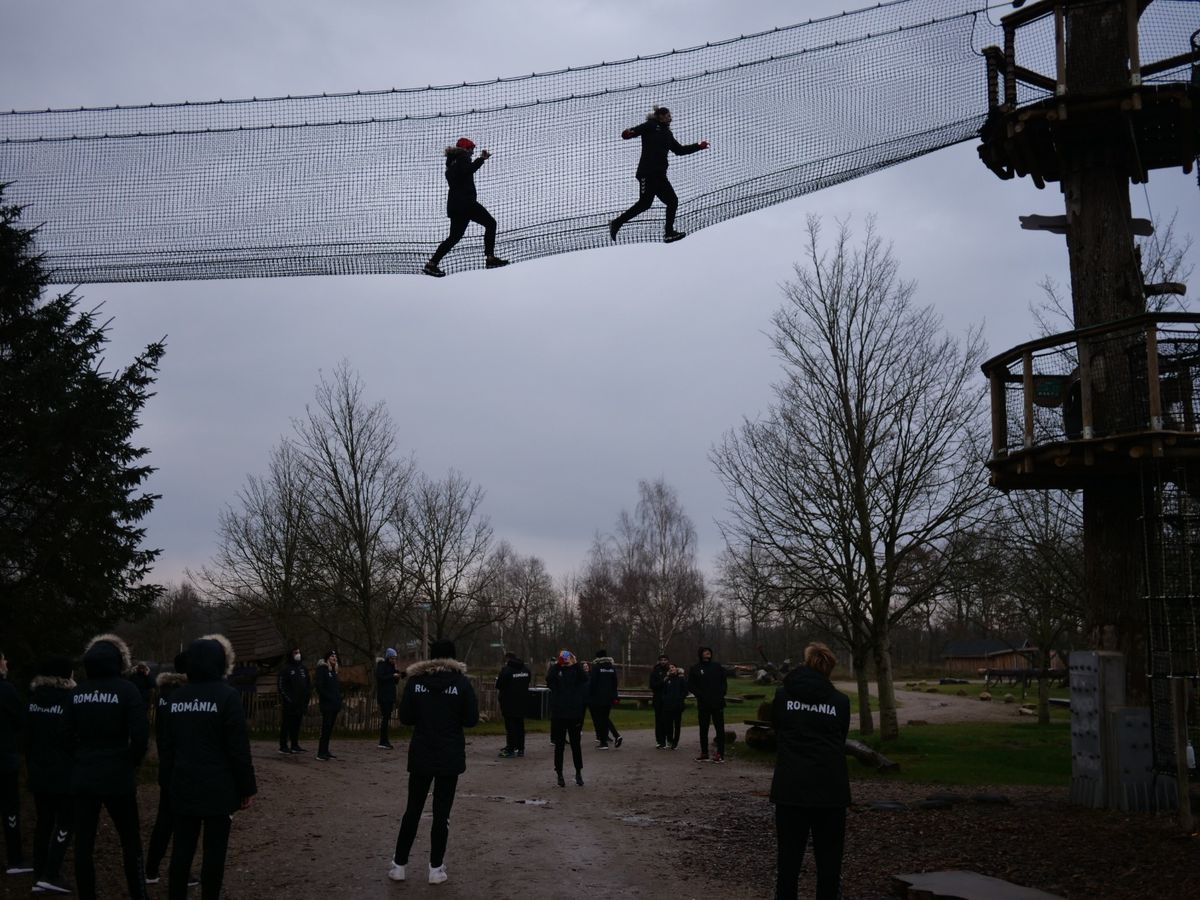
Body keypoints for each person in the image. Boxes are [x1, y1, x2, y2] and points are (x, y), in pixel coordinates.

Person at [162, 634, 257, 900]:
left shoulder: (175, 698)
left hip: (182, 785)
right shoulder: (228, 697)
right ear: (222, 662)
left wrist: (167, 782)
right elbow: (238, 749)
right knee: (214, 854)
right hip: (219, 788)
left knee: (181, 851)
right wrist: (246, 787)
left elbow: (166, 747)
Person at [387, 639, 478, 886]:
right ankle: (435, 868)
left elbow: (405, 717)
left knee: (413, 810)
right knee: (442, 814)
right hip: (449, 755)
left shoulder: (416, 682)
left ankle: (399, 865)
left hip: (422, 754)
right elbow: (471, 720)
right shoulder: (461, 683)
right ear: (453, 658)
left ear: (431, 657)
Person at [68, 634, 149, 899]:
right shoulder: (128, 690)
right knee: (130, 841)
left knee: (83, 845)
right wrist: (131, 763)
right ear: (119, 661)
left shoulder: (76, 692)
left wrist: (78, 761)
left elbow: (65, 736)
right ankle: (139, 894)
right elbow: (140, 736)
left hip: (84, 774)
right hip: (118, 774)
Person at [770, 642, 851, 900]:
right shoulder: (840, 702)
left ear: (805, 664)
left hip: (791, 789)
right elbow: (841, 738)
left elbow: (778, 730)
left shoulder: (783, 697)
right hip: (831, 791)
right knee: (829, 866)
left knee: (788, 864)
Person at [609, 106, 709, 244]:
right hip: (647, 173)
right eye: (668, 115)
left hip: (660, 175)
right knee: (645, 203)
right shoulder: (651, 125)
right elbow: (633, 132)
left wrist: (699, 146)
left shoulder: (668, 134)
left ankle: (669, 233)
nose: (670, 118)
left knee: (672, 201)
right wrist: (628, 133)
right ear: (660, 116)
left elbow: (679, 150)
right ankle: (616, 223)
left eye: (670, 115)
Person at [422, 137, 510, 277]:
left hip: (455, 206)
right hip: (466, 204)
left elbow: (462, 173)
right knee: (491, 223)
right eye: (472, 150)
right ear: (466, 149)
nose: (472, 153)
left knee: (454, 237)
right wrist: (481, 159)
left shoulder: (451, 162)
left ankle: (431, 264)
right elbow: (468, 170)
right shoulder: (463, 158)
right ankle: (490, 258)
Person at [26, 656, 75, 894]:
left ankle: (38, 872)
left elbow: (26, 736)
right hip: (63, 772)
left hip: (38, 771)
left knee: (43, 822)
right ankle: (52, 873)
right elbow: (71, 736)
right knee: (66, 821)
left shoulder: (33, 700)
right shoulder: (69, 700)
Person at [145, 652, 191, 886]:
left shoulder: (164, 693)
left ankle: (151, 868)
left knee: (165, 819)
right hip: (181, 765)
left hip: (167, 763)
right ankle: (180, 871)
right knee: (182, 821)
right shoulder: (184, 695)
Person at [1, 650, 32, 879]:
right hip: (4, 758)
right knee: (10, 808)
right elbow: (21, 720)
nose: (6, 663)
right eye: (3, 659)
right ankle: (14, 859)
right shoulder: (6, 690)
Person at [546, 650, 589, 788]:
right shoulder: (556, 671)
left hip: (574, 713)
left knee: (576, 745)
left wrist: (576, 664)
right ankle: (559, 773)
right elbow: (549, 679)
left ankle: (578, 772)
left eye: (567, 657)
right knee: (559, 746)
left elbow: (584, 678)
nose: (565, 660)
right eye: (563, 658)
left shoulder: (576, 672)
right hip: (559, 714)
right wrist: (558, 665)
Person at [688, 645, 728, 763]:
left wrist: (721, 694)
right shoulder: (695, 668)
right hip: (703, 704)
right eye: (705, 652)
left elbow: (723, 682)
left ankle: (720, 754)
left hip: (717, 703)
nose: (707, 653)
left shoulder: (717, 666)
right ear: (700, 654)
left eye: (709, 651)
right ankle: (704, 753)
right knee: (703, 729)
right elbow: (691, 685)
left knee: (720, 729)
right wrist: (700, 695)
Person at [495, 652, 531, 758]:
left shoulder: (507, 670)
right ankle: (520, 748)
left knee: (510, 726)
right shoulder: (525, 669)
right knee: (520, 725)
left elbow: (499, 685)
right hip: (523, 701)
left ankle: (510, 748)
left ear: (508, 659)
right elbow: (528, 681)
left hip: (509, 702)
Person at [277, 646, 310, 754]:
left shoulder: (303, 668)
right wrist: (288, 699)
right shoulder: (285, 669)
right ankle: (283, 746)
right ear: (291, 654)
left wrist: (306, 699)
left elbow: (308, 684)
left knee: (297, 724)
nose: (298, 654)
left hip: (300, 703)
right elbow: (281, 686)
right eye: (296, 652)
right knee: (286, 724)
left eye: (299, 652)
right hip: (289, 703)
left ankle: (295, 745)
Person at [587, 649, 622, 749]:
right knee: (605, 718)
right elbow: (615, 683)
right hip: (609, 698)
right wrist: (614, 696)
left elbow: (593, 683)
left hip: (598, 698)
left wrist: (590, 695)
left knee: (600, 719)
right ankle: (614, 736)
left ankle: (605, 742)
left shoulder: (596, 667)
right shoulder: (612, 668)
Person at [315, 649, 342, 761]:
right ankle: (321, 753)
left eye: (335, 657)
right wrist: (329, 698)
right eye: (332, 656)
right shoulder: (322, 669)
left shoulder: (334, 671)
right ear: (327, 658)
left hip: (334, 705)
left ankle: (326, 750)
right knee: (325, 728)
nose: (334, 658)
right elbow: (320, 687)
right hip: (327, 705)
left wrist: (338, 699)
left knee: (330, 729)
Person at [660, 664, 690, 751]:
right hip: (667, 705)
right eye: (670, 668)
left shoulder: (681, 679)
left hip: (677, 705)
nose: (671, 669)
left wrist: (679, 698)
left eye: (673, 667)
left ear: (676, 669)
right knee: (668, 724)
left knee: (677, 725)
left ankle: (675, 742)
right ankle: (670, 740)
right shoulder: (667, 680)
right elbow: (663, 691)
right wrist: (665, 699)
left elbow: (685, 691)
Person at [376, 648, 401, 750]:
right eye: (392, 658)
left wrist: (397, 676)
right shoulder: (382, 665)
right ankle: (383, 741)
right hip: (384, 696)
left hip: (390, 696)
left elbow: (394, 682)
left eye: (395, 658)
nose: (394, 660)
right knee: (385, 718)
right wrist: (392, 675)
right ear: (388, 657)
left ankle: (385, 740)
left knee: (387, 718)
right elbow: (380, 678)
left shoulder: (392, 667)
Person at [649, 653, 671, 749]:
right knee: (659, 720)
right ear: (659, 661)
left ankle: (668, 739)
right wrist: (663, 681)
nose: (663, 661)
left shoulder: (671, 670)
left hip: (668, 699)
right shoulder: (655, 671)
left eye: (665, 660)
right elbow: (652, 685)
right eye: (661, 660)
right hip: (658, 699)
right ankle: (659, 740)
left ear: (668, 661)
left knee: (668, 720)